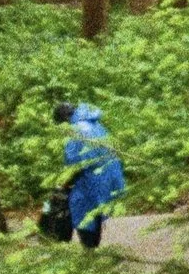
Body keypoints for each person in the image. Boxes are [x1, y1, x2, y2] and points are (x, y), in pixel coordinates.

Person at [37, 93, 124, 250]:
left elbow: (75, 166)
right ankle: (92, 248)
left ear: (64, 120)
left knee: (83, 212)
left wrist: (62, 184)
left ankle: (89, 251)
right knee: (95, 213)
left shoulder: (77, 131)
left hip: (91, 181)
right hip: (109, 176)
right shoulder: (95, 124)